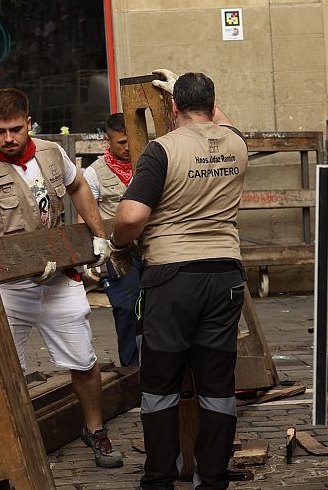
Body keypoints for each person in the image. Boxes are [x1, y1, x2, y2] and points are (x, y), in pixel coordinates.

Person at [0, 88, 122, 468]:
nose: (8, 139)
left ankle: (94, 430)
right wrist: (25, 261)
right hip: (10, 288)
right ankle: (14, 442)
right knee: (7, 371)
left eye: (16, 129)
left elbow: (79, 186)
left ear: (29, 122)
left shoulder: (51, 152)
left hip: (60, 278)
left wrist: (98, 236)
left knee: (84, 361)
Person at [111, 70, 248, 490]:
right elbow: (219, 121)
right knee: (217, 386)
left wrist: (118, 244)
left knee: (160, 386)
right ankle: (212, 480)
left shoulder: (161, 150)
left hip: (172, 277)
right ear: (212, 103)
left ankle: (159, 480)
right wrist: (185, 88)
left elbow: (133, 216)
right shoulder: (237, 143)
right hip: (225, 275)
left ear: (172, 108)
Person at [82, 113, 142, 367]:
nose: (127, 148)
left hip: (152, 247)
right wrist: (93, 255)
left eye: (130, 141)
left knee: (157, 310)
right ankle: (132, 371)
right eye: (120, 143)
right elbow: (87, 213)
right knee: (127, 309)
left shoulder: (147, 162)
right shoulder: (94, 173)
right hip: (119, 253)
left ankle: (162, 369)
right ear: (108, 140)